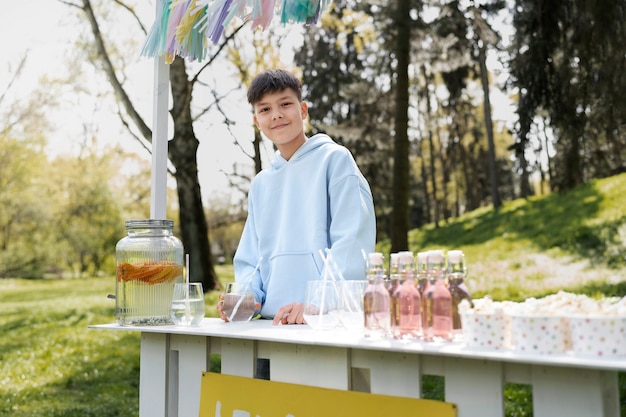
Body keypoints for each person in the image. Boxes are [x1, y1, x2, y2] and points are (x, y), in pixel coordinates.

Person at [218, 68, 376, 326]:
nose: (277, 114)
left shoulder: (335, 160)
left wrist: (320, 302)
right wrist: (243, 299)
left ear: (303, 110)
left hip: (324, 323)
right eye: (265, 109)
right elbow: (253, 258)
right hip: (270, 325)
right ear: (257, 121)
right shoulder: (261, 184)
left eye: (285, 104)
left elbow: (351, 240)